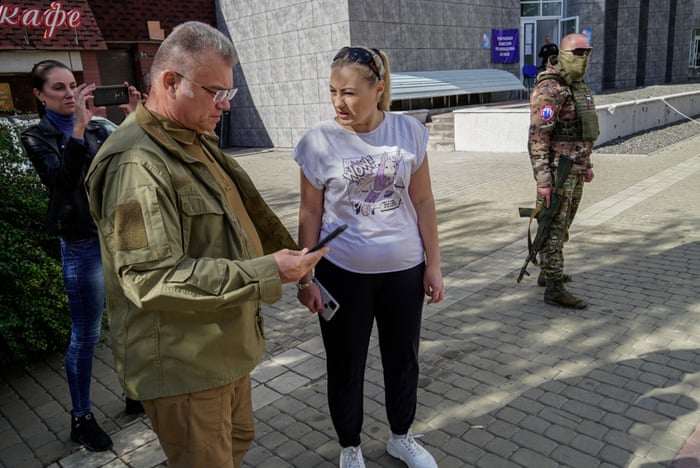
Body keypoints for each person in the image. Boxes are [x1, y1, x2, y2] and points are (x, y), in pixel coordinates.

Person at [85, 21, 325, 468]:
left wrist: (298, 270)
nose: (224, 106)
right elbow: (148, 277)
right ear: (170, 82)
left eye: (228, 94)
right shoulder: (136, 165)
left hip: (220, 350)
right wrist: (269, 271)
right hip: (185, 366)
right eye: (215, 92)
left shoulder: (192, 139)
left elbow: (241, 217)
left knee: (234, 447)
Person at [293, 46, 445, 468]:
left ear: (378, 90)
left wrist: (433, 264)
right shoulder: (318, 141)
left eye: (350, 93)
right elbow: (309, 212)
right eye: (332, 92)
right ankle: (350, 447)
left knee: (404, 361)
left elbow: (424, 200)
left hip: (404, 272)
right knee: (345, 366)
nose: (339, 103)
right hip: (342, 275)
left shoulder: (409, 131)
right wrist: (307, 278)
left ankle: (401, 437)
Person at [20, 60, 142, 451]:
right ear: (39, 95)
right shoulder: (36, 136)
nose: (70, 94)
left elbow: (129, 166)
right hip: (81, 244)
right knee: (87, 334)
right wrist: (76, 129)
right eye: (58, 88)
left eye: (73, 85)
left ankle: (134, 392)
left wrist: (134, 120)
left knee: (128, 320)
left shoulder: (96, 127)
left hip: (120, 234)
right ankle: (81, 417)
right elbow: (61, 182)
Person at [527, 33, 599, 309]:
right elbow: (538, 138)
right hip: (558, 172)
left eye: (587, 53)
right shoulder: (550, 89)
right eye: (577, 53)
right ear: (563, 53)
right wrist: (543, 181)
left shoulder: (576, 85)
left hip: (576, 169)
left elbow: (582, 132)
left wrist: (587, 166)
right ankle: (554, 288)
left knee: (563, 227)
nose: (583, 59)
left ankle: (548, 273)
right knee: (553, 229)